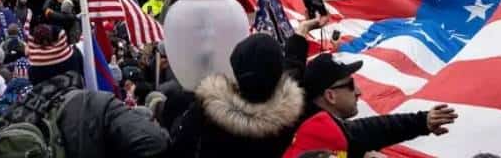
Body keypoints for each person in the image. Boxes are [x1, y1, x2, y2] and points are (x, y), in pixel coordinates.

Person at [283, 53, 457, 158]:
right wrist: (421, 121)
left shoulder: (304, 121)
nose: (359, 92)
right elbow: (369, 130)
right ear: (330, 95)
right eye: (351, 85)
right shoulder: (320, 128)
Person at [167, 33, 303, 158]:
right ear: (279, 73)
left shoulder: (206, 113)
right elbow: (297, 72)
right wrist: (299, 39)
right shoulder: (293, 119)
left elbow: (179, 150)